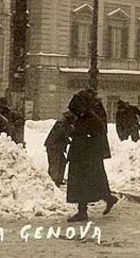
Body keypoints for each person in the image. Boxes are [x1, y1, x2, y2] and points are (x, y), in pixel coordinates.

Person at [65, 89, 118, 222]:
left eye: (76, 110)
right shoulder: (85, 118)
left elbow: (94, 136)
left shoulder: (90, 119)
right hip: (85, 155)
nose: (75, 113)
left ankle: (82, 211)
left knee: (83, 182)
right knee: (95, 179)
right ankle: (108, 198)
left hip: (86, 156)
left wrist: (83, 144)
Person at [44, 111, 75, 186]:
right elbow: (61, 134)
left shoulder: (65, 123)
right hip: (53, 146)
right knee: (55, 163)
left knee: (62, 161)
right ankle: (53, 181)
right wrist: (68, 140)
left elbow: (70, 132)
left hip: (58, 146)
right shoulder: (61, 123)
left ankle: (58, 180)